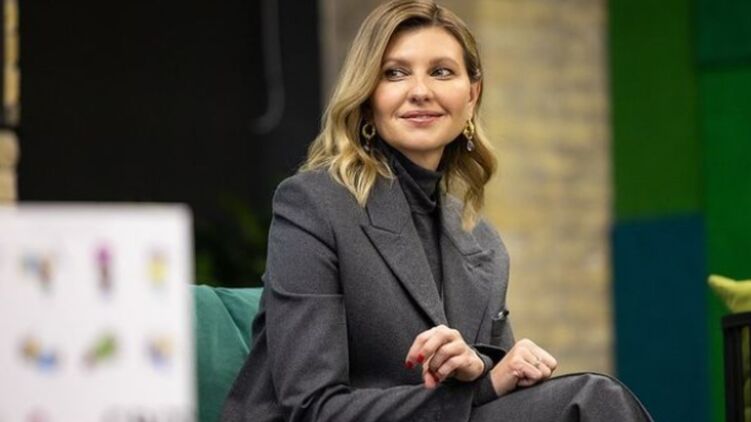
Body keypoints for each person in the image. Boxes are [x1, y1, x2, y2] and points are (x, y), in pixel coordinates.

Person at [222, 0, 653, 421]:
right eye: (395, 73)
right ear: (368, 97)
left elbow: (494, 395)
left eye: (442, 72)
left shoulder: (483, 243)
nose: (420, 91)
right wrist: (481, 386)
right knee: (590, 400)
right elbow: (311, 408)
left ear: (472, 95)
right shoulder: (314, 205)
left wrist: (488, 368)